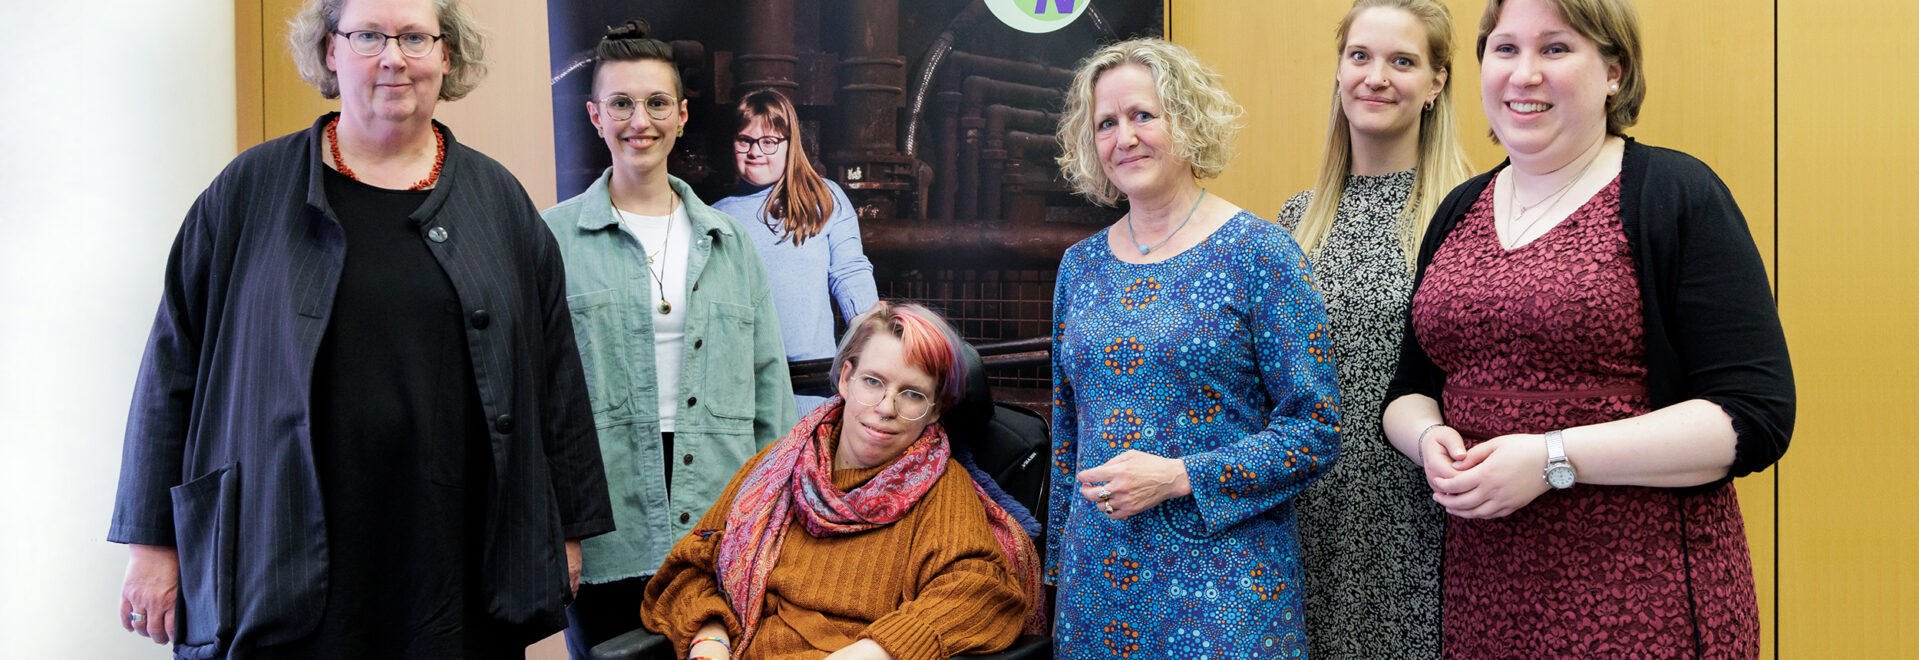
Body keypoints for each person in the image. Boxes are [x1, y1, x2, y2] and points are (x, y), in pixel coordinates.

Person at [108, 0, 614, 656]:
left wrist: (566, 533)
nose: (393, 57)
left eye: (414, 37)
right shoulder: (245, 194)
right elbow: (170, 368)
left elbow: (556, 379)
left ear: (447, 55)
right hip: (274, 555)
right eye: (369, 35)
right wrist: (152, 545)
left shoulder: (502, 204)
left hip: (453, 562)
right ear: (329, 51)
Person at [1381, 0, 1795, 656]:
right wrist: (1428, 437)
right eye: (1505, 48)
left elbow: (1753, 416)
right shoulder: (1459, 209)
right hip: (1484, 602)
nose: (1523, 73)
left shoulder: (1676, 194)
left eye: (1554, 49)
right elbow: (1410, 387)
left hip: (1642, 598)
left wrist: (1551, 460)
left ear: (1613, 71)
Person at [1047, 38, 1342, 657]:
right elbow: (1068, 436)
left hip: (1226, 590)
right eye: (1106, 123)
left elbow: (1315, 429)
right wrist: (1054, 575)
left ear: (1187, 120)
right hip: (1098, 584)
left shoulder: (1260, 253)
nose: (1124, 137)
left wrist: (1181, 477)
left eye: (1143, 115)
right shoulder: (1080, 267)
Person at [541, 19, 797, 659]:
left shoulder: (729, 241)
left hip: (719, 511)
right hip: (605, 515)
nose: (640, 120)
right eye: (621, 103)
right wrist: (558, 526)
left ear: (682, 115)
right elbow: (535, 390)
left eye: (657, 103)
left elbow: (771, 389)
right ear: (596, 115)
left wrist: (778, 518)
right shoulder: (550, 237)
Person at [640, 302, 1044, 659]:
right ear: (846, 379)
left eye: (912, 394)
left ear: (936, 409)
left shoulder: (941, 490)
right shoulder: (776, 468)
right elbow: (690, 570)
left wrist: (874, 651)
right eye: (873, 382)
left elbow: (983, 593)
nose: (886, 407)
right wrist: (710, 642)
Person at [1272, 1, 1473, 657]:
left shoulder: (1470, 211)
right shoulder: (1295, 223)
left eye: (1402, 61)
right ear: (1338, 70)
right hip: (1310, 518)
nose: (1375, 77)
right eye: (1359, 56)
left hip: (1430, 518)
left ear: (1437, 81)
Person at [712, 89, 879, 417]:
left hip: (814, 386)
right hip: (744, 389)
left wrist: (872, 333)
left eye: (770, 141)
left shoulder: (823, 197)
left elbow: (849, 271)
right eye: (744, 140)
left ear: (790, 144)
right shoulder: (715, 216)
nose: (756, 151)